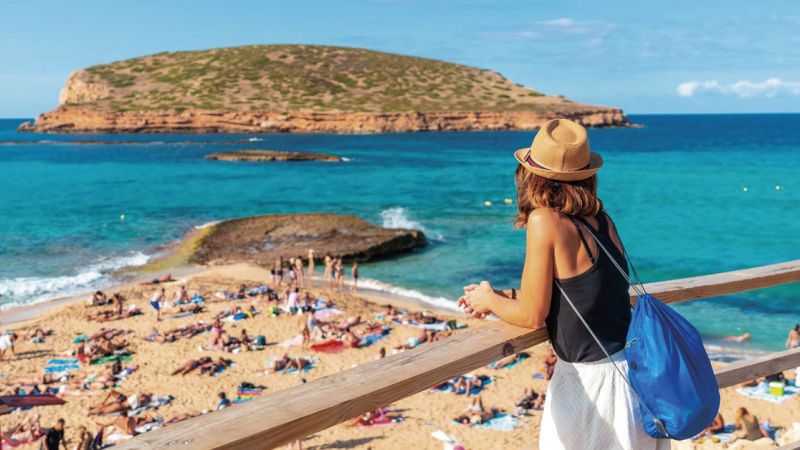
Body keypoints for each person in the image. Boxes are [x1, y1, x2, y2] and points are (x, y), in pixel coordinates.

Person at [457, 119, 667, 450]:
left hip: (593, 381)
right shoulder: (601, 219)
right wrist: (501, 296)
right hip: (630, 373)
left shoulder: (545, 221)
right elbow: (582, 291)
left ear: (531, 175)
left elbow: (531, 316)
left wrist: (487, 299)